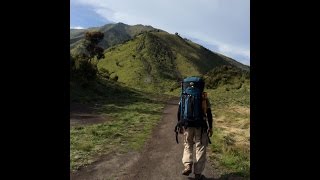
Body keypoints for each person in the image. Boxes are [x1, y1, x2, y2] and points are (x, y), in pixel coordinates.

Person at [176, 84, 213, 180]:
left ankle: (187, 165)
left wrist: (180, 125)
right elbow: (208, 113)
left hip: (187, 125)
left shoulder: (184, 95)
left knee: (188, 144)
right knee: (200, 147)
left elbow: (180, 111)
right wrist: (210, 127)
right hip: (200, 126)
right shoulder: (203, 97)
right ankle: (198, 174)